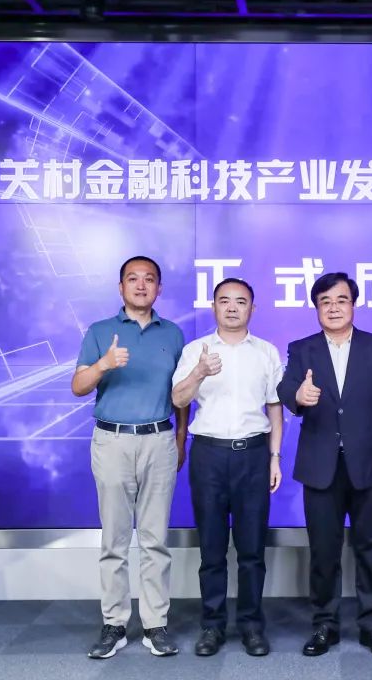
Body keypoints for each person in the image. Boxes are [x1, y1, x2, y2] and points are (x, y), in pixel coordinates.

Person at [276, 272, 372, 659]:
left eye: (341, 300)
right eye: (325, 302)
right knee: (324, 551)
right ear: (316, 308)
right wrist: (298, 396)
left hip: (371, 464)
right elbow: (287, 388)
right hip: (321, 466)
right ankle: (324, 625)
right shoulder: (302, 348)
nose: (333, 307)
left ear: (353, 304)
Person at [71, 255, 188, 660]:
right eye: (133, 279)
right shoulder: (100, 331)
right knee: (115, 539)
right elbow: (78, 386)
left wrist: (181, 439)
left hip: (160, 440)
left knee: (155, 540)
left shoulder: (173, 334)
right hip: (113, 441)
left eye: (149, 279)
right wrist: (104, 364)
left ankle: (156, 624)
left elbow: (181, 395)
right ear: (120, 287)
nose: (141, 285)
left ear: (159, 288)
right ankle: (115, 624)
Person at [171, 278, 283, 658]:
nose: (232, 307)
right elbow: (178, 398)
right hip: (209, 456)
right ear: (214, 307)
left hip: (253, 455)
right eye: (224, 301)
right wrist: (199, 372)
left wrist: (274, 457)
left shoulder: (266, 352)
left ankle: (251, 626)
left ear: (253, 308)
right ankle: (212, 626)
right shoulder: (195, 350)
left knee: (252, 550)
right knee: (212, 550)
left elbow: (274, 408)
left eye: (241, 301)